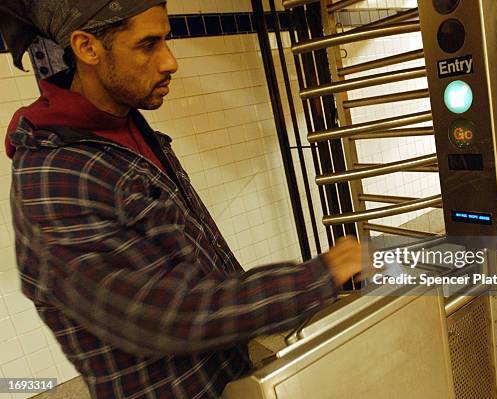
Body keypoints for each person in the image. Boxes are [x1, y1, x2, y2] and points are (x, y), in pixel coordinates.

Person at [0, 1, 362, 398]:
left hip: (228, 379)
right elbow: (161, 315)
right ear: (88, 48)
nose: (170, 62)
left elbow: (193, 262)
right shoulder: (54, 179)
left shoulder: (125, 126)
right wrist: (318, 276)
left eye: (166, 40)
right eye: (148, 45)